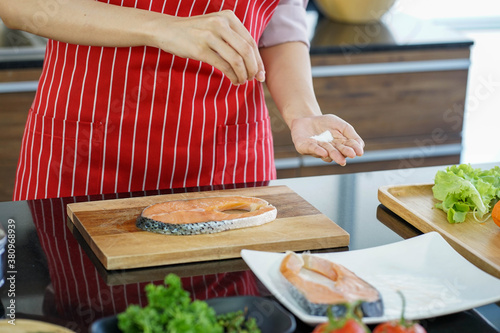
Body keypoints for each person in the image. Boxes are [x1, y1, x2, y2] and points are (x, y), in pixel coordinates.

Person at [0, 0, 365, 201]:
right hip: (87, 152)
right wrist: (162, 26)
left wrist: (303, 113)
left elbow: (279, 23)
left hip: (227, 158)